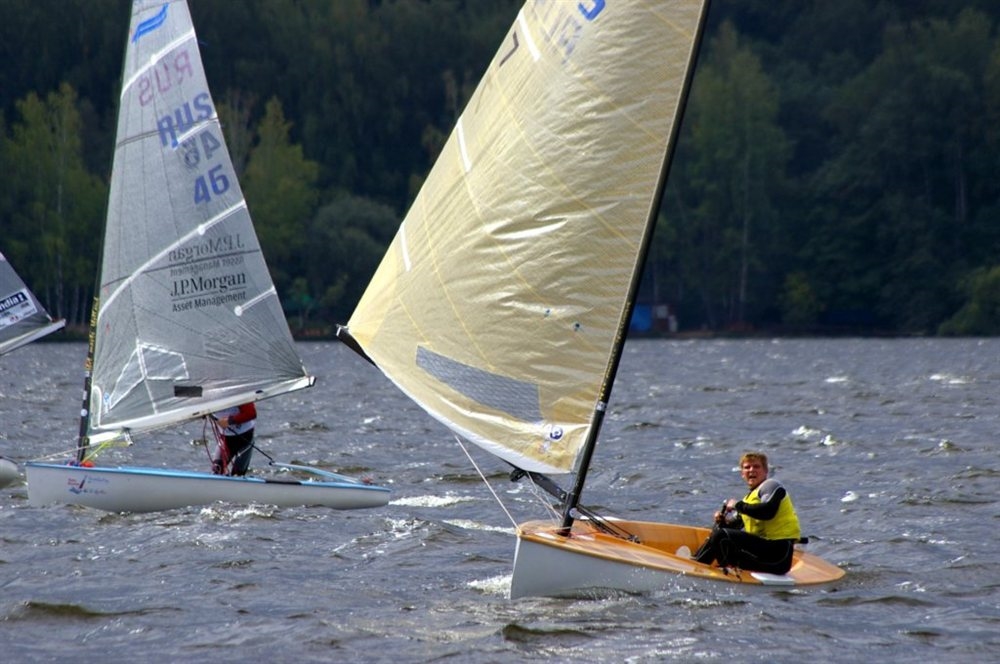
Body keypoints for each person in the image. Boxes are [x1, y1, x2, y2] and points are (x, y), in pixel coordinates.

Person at [692, 451, 801, 574]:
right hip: (761, 554)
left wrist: (737, 505)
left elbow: (767, 512)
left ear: (765, 471)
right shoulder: (749, 499)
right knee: (719, 532)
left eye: (756, 466)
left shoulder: (771, 486)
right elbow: (733, 528)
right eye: (747, 467)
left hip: (778, 556)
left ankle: (697, 569)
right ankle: (697, 563)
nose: (751, 470)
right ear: (742, 474)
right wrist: (722, 521)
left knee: (721, 535)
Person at [210, 402, 257, 476]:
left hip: (244, 438)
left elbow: (251, 413)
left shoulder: (239, 395)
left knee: (237, 474)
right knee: (217, 469)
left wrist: (229, 421)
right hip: (226, 439)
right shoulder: (210, 397)